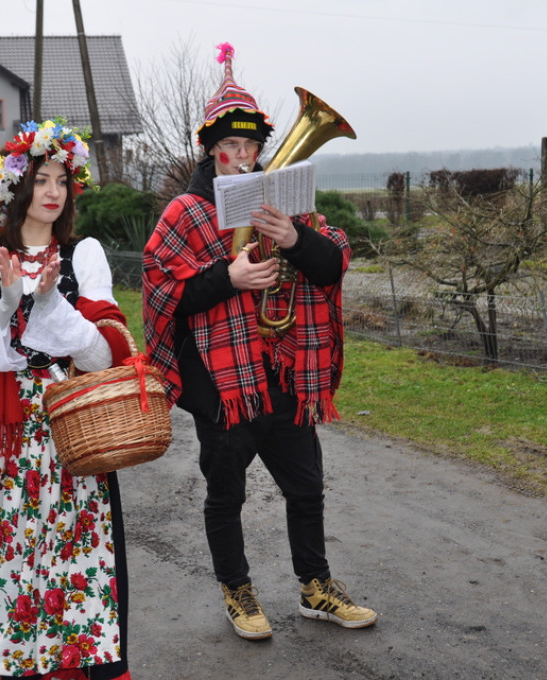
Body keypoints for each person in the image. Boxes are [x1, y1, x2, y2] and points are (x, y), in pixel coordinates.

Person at [142, 43, 377, 641]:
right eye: (229, 146)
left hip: (284, 376)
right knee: (227, 495)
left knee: (306, 488)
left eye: (249, 146)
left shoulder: (285, 205)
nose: (240, 156)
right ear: (210, 149)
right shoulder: (185, 212)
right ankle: (237, 591)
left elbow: (332, 267)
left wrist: (295, 239)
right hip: (224, 387)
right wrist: (230, 276)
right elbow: (164, 292)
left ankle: (315, 588)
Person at [0, 118, 134, 680]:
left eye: (63, 180)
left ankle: (64, 657)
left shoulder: (84, 256)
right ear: (18, 187)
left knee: (69, 547)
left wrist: (50, 308)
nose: (54, 191)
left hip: (67, 430)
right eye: (42, 179)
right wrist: (6, 303)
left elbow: (106, 357)